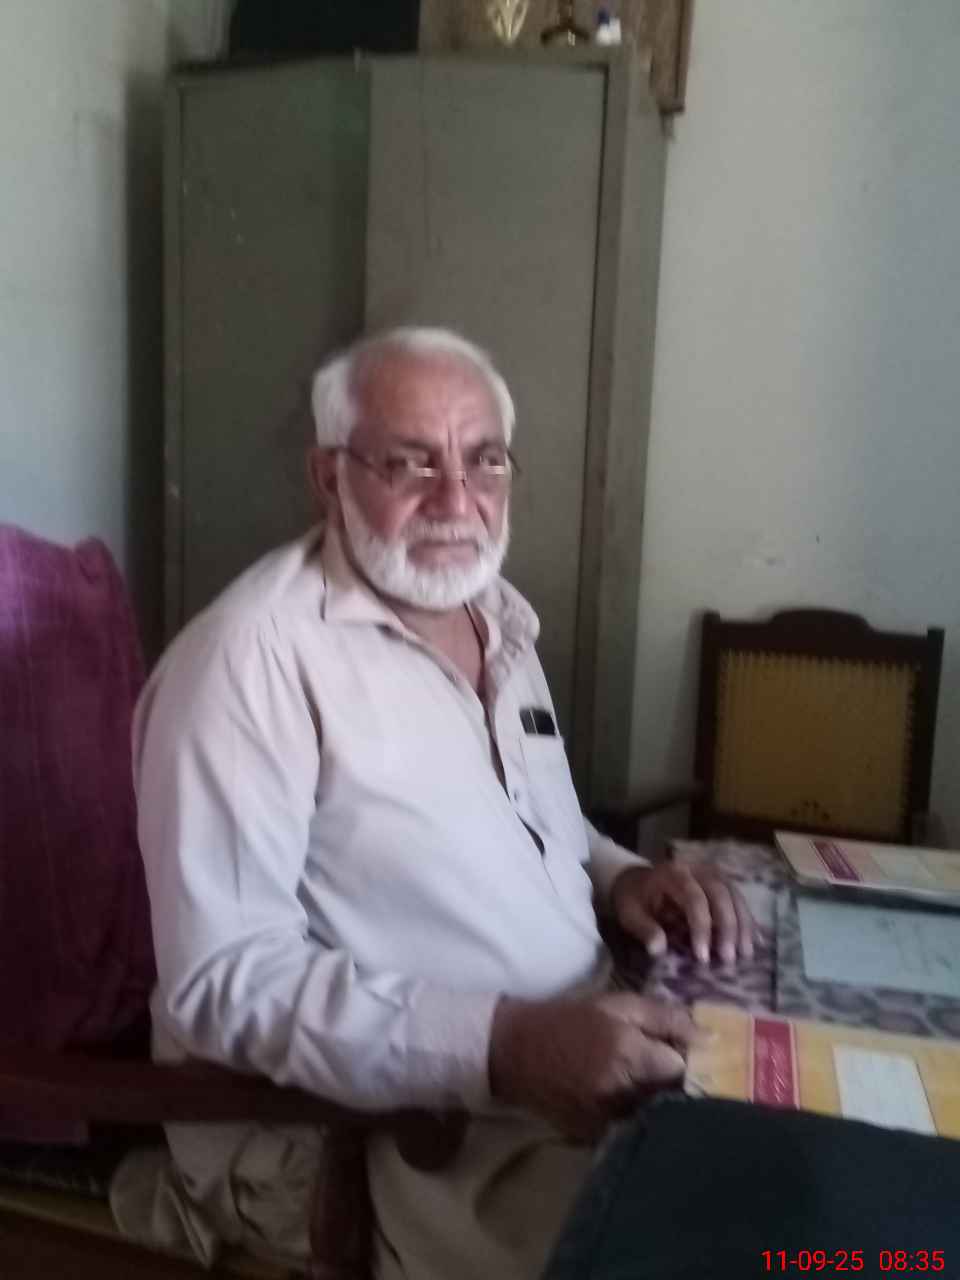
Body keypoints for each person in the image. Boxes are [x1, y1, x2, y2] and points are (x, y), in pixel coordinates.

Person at [124, 328, 754, 1279]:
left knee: (815, 1177)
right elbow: (221, 980)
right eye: (409, 462)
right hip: (391, 1135)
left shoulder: (492, 614)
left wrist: (623, 879)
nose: (457, 502)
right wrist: (503, 1047)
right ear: (328, 476)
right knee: (726, 1252)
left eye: (484, 460)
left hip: (578, 1052)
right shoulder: (248, 663)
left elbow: (534, 819)